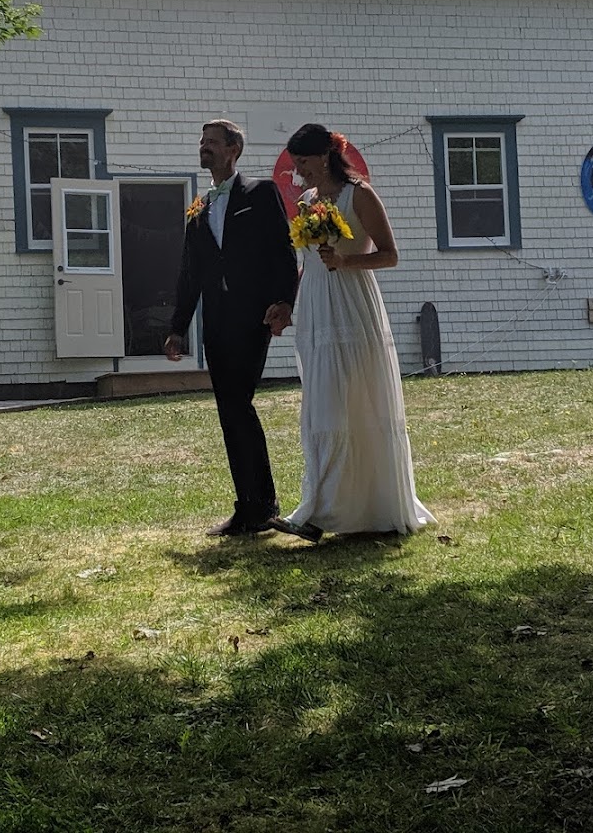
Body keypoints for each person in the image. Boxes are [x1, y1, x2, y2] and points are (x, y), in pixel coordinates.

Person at [270, 123, 435, 542]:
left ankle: (360, 506)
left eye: (303, 162)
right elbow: (307, 261)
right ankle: (320, 506)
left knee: (354, 401)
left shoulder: (359, 195)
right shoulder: (308, 201)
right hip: (316, 305)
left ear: (325, 155)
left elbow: (390, 255)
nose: (299, 171)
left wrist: (346, 262)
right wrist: (288, 304)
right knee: (322, 405)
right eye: (295, 163)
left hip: (351, 303)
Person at [166, 119, 299, 536]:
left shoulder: (260, 193)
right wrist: (178, 327)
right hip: (217, 321)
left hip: (252, 316)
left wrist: (285, 302)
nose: (203, 147)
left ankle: (260, 505)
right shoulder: (199, 207)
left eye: (212, 142)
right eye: (201, 141)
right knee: (229, 408)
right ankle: (250, 508)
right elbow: (189, 273)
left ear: (233, 150)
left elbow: (283, 250)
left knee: (238, 403)